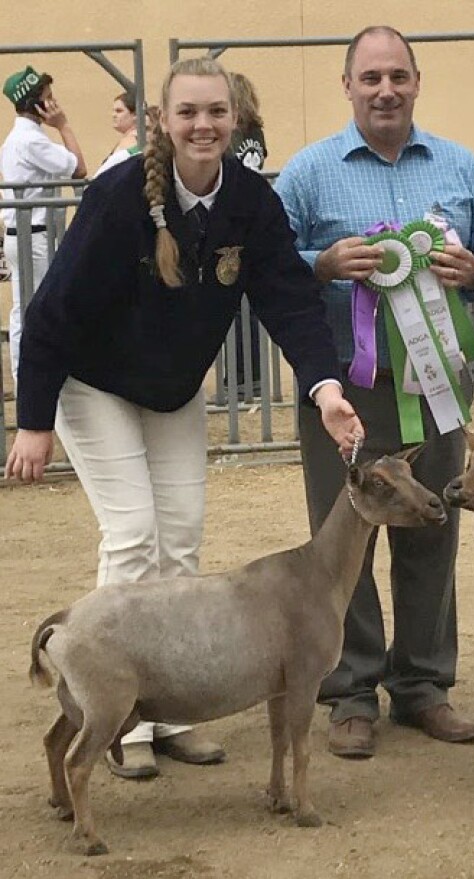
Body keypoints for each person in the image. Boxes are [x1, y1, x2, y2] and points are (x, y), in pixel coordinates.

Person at [5, 57, 362, 780]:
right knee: (133, 532)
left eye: (217, 112)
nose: (204, 125)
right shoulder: (117, 199)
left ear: (236, 121)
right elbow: (51, 314)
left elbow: (289, 299)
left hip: (171, 388)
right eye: (189, 112)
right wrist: (33, 421)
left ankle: (169, 712)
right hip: (91, 381)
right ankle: (118, 725)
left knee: (183, 538)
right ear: (162, 123)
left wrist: (326, 387)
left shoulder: (252, 204)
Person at [276, 25, 474, 759]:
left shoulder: (460, 165)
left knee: (433, 524)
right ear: (347, 85)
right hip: (343, 391)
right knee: (343, 535)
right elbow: (271, 267)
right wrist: (319, 263)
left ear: (418, 82)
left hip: (436, 383)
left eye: (398, 77)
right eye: (370, 77)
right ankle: (350, 688)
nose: (385, 90)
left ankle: (423, 686)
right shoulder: (308, 172)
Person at [1, 65, 87, 387]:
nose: (54, 104)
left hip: (28, 235)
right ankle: (32, 378)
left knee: (25, 308)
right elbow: (79, 168)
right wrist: (63, 126)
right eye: (49, 99)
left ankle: (28, 375)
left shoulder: (23, 138)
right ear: (37, 104)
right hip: (33, 237)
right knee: (35, 309)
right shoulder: (30, 141)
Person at [226, 71, 267, 398]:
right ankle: (250, 376)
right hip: (251, 220)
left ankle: (239, 379)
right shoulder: (257, 135)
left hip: (234, 222)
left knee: (236, 309)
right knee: (249, 309)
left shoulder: (232, 137)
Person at [96, 90, 139, 177]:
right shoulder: (127, 139)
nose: (114, 115)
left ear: (135, 115)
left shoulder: (132, 141)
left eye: (119, 111)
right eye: (114, 111)